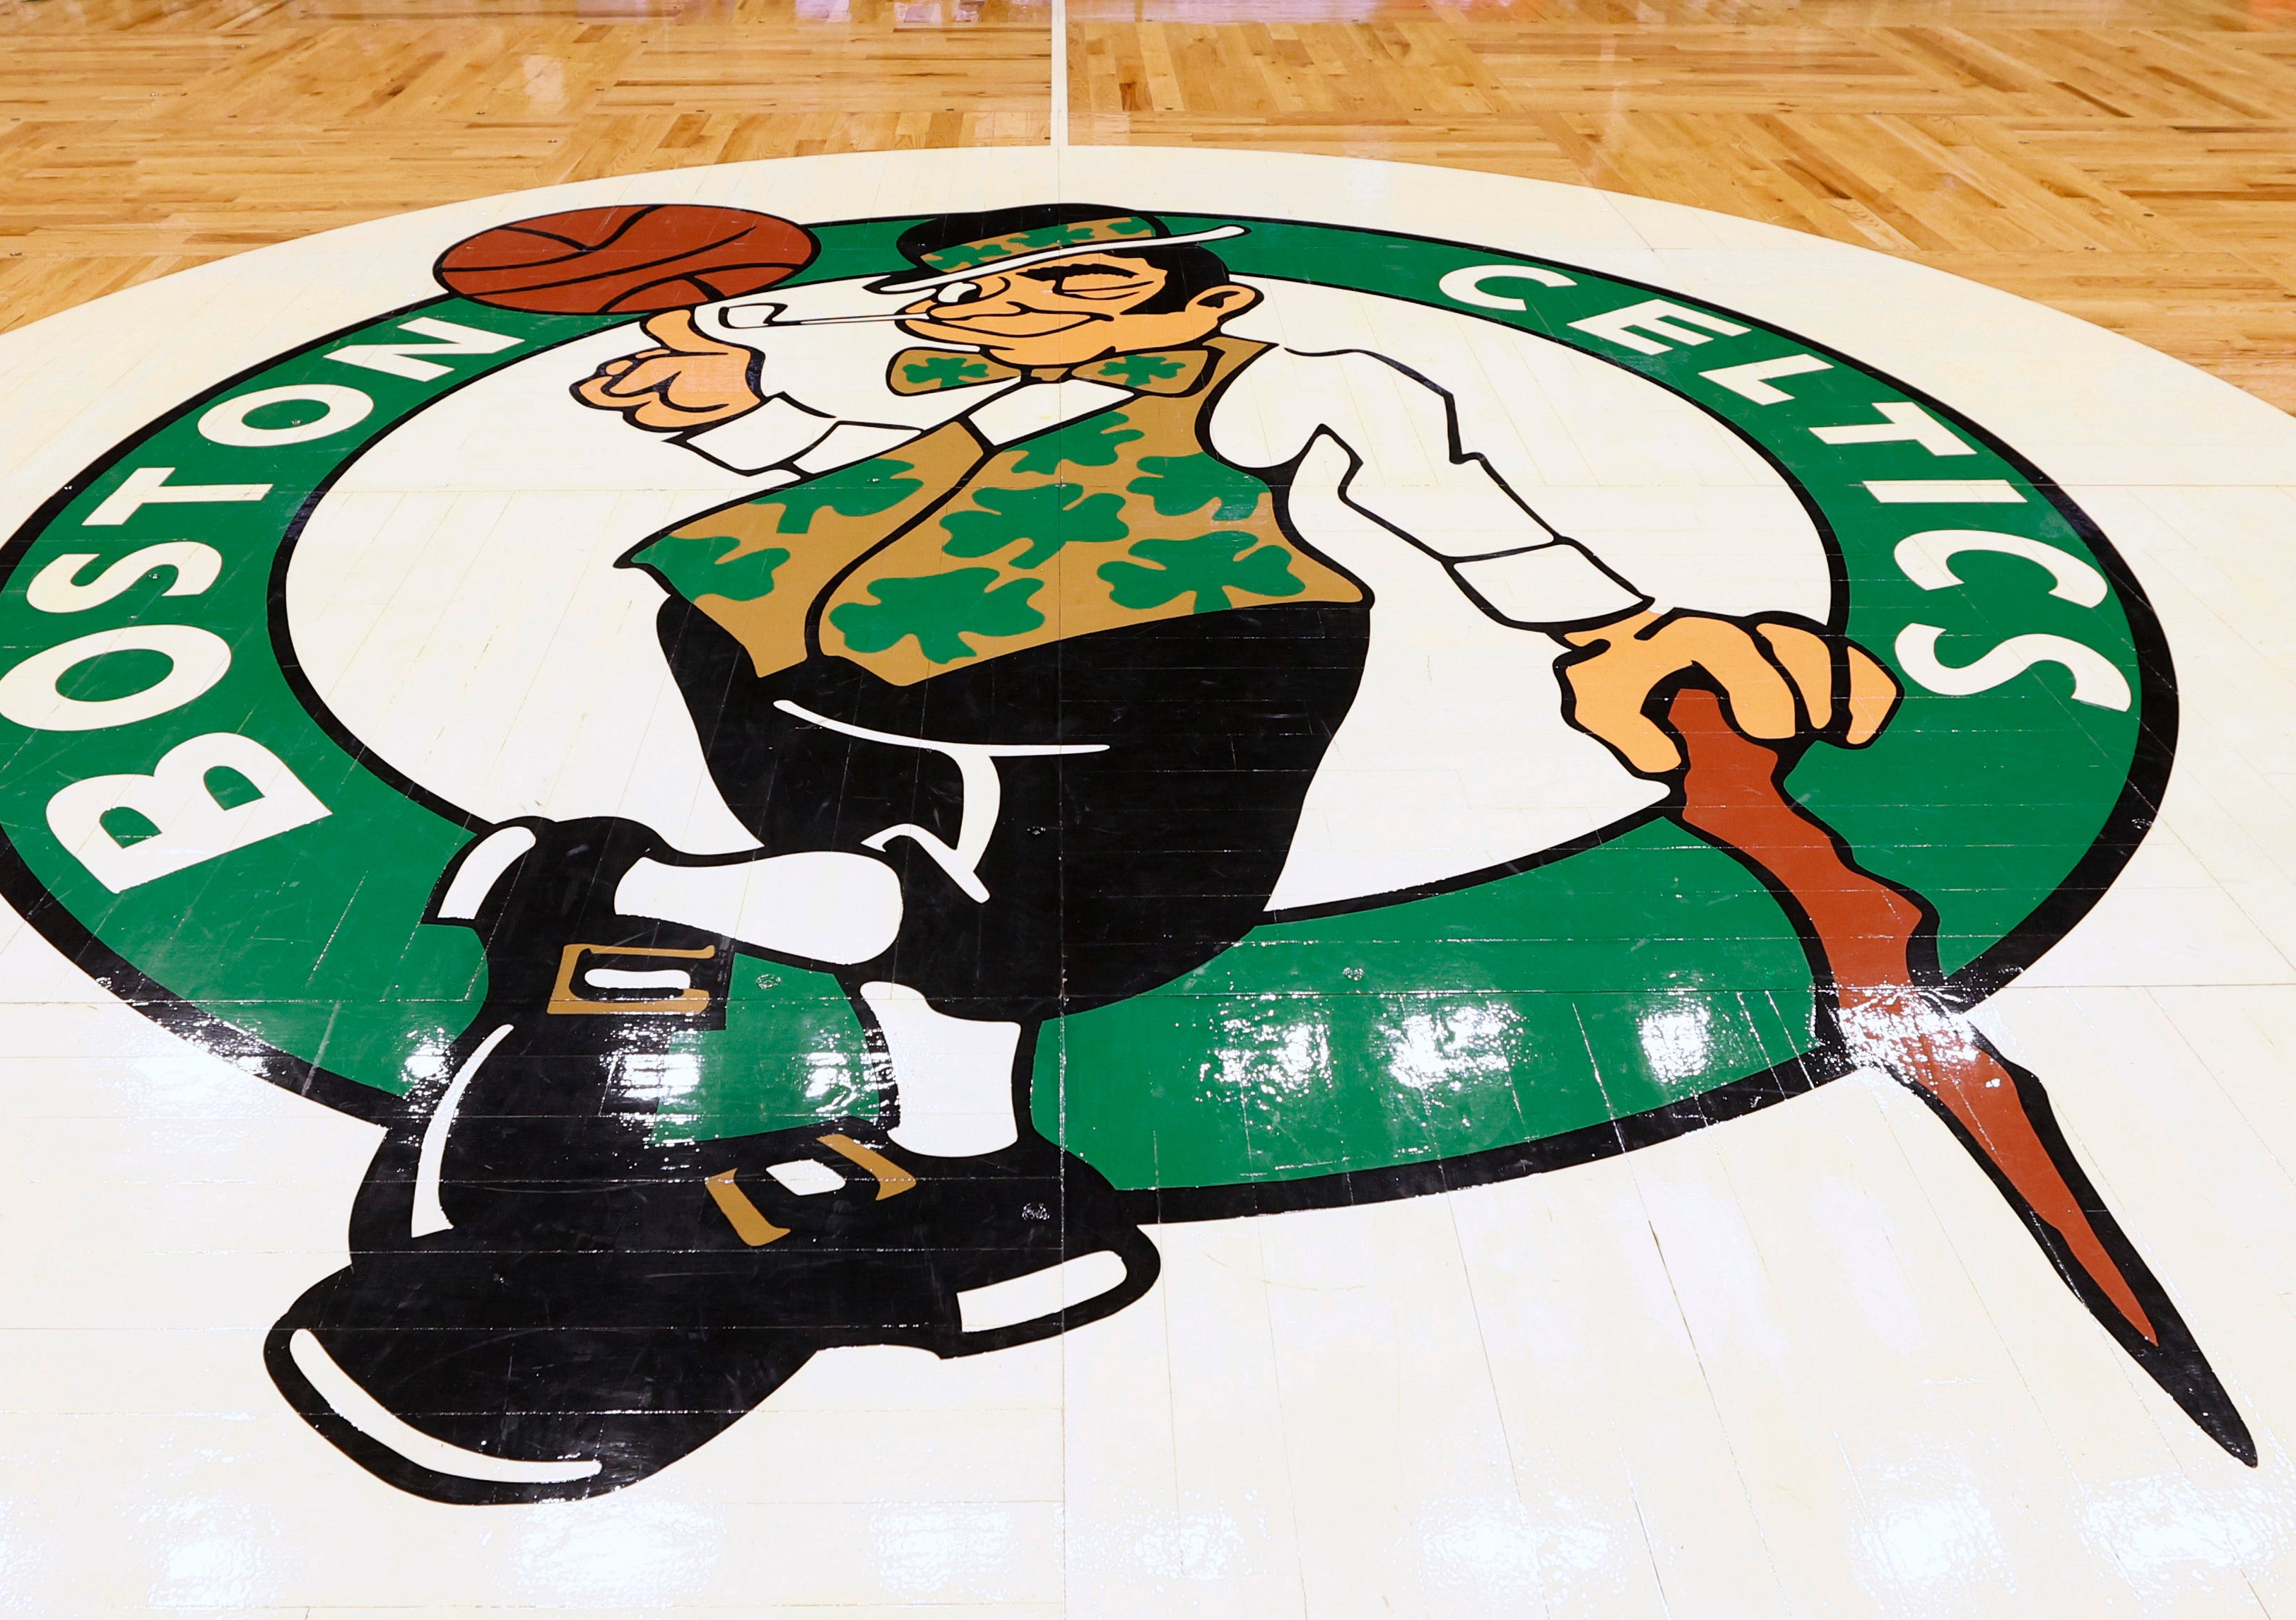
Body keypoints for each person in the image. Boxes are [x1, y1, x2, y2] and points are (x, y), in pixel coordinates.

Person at [264, 203, 1899, 1502]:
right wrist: (728, 419)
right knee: (931, 926)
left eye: (1068, 280)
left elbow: (1450, 495)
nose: (1009, 306)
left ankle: (601, 883)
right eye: (981, 293)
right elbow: (864, 493)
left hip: (1135, 703)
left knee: (974, 909)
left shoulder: (1285, 386)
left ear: (1198, 301)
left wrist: (1619, 624)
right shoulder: (990, 410)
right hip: (858, 692)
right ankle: (969, 1165)